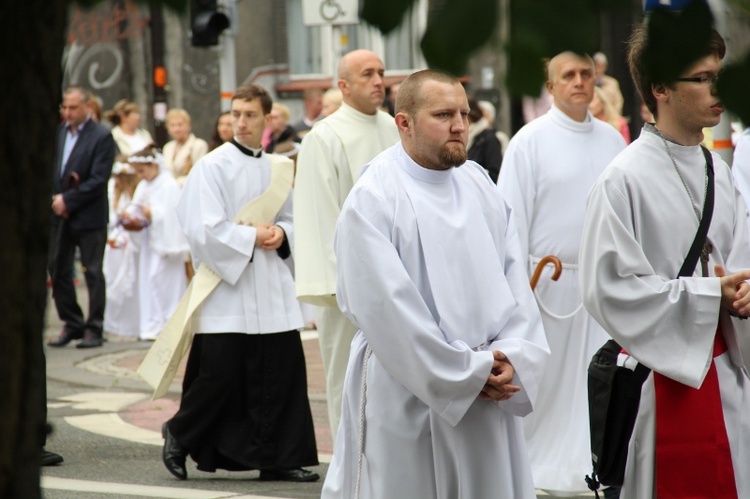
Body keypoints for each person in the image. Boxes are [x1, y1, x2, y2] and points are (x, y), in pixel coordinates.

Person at [321, 69, 549, 499]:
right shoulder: (374, 197)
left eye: (463, 113)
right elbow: (388, 311)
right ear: (403, 122)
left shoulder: (479, 184)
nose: (460, 125)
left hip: (489, 384)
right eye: (443, 114)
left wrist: (512, 356)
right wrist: (462, 375)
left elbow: (515, 282)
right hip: (408, 387)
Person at [579, 16, 750, 499]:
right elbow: (605, 286)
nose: (715, 87)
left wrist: (742, 293)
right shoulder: (622, 179)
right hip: (661, 379)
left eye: (717, 73)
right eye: (700, 78)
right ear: (660, 89)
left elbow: (739, 261)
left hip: (727, 372)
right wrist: (707, 293)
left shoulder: (720, 171)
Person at [161, 84, 319, 482]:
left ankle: (279, 458)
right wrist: (251, 238)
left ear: (267, 120)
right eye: (236, 114)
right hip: (227, 290)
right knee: (219, 376)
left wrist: (282, 235)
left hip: (270, 286)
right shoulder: (212, 166)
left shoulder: (279, 168)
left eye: (250, 115)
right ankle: (179, 434)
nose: (241, 122)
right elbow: (201, 228)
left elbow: (295, 218)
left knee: (281, 375)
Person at [497, 51, 626, 496]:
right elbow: (508, 222)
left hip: (596, 283)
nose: (578, 82)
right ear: (550, 87)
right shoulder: (528, 142)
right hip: (546, 285)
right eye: (567, 75)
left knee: (593, 379)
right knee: (547, 383)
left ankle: (587, 461)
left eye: (585, 74)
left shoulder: (613, 140)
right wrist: (517, 289)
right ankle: (532, 465)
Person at [293, 49, 399, 440]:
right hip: (348, 286)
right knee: (345, 376)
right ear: (343, 86)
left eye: (381, 73)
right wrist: (342, 285)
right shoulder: (325, 136)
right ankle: (348, 470)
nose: (378, 81)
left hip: (397, 276)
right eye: (367, 74)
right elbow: (320, 217)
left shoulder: (393, 127)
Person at [48, 85, 118, 349]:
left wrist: (69, 200)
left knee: (93, 271)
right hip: (59, 215)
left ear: (87, 106)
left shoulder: (101, 136)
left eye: (73, 107)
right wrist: (57, 200)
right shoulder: (58, 134)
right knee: (58, 268)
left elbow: (99, 179)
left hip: (89, 216)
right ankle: (72, 322)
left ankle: (94, 327)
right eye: (64, 107)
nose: (68, 112)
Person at [125, 145, 189, 341]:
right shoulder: (145, 185)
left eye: (142, 171)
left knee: (163, 280)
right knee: (150, 280)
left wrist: (153, 213)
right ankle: (153, 323)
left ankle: (170, 322)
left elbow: (172, 215)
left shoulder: (168, 185)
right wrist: (132, 213)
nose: (140, 175)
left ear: (154, 165)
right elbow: (136, 205)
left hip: (166, 244)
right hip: (149, 242)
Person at [103, 155, 142, 338]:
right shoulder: (112, 190)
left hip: (132, 240)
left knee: (132, 282)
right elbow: (112, 217)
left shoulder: (136, 190)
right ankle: (114, 322)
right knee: (112, 278)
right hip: (116, 240)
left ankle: (132, 323)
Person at [162, 108, 209, 186]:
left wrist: (175, 183)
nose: (176, 129)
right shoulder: (167, 147)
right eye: (172, 125)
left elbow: (199, 174)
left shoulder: (199, 145)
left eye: (180, 125)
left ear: (189, 126)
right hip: (170, 193)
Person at [467, 97, 503, 182]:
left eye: (463, 114)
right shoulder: (466, 136)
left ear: (472, 115)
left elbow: (496, 174)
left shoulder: (489, 139)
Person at [593, 52, 625, 116]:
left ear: (605, 67)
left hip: (610, 118)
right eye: (596, 66)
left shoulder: (612, 83)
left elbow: (618, 102)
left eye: (600, 66)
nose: (597, 69)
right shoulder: (589, 82)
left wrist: (613, 116)